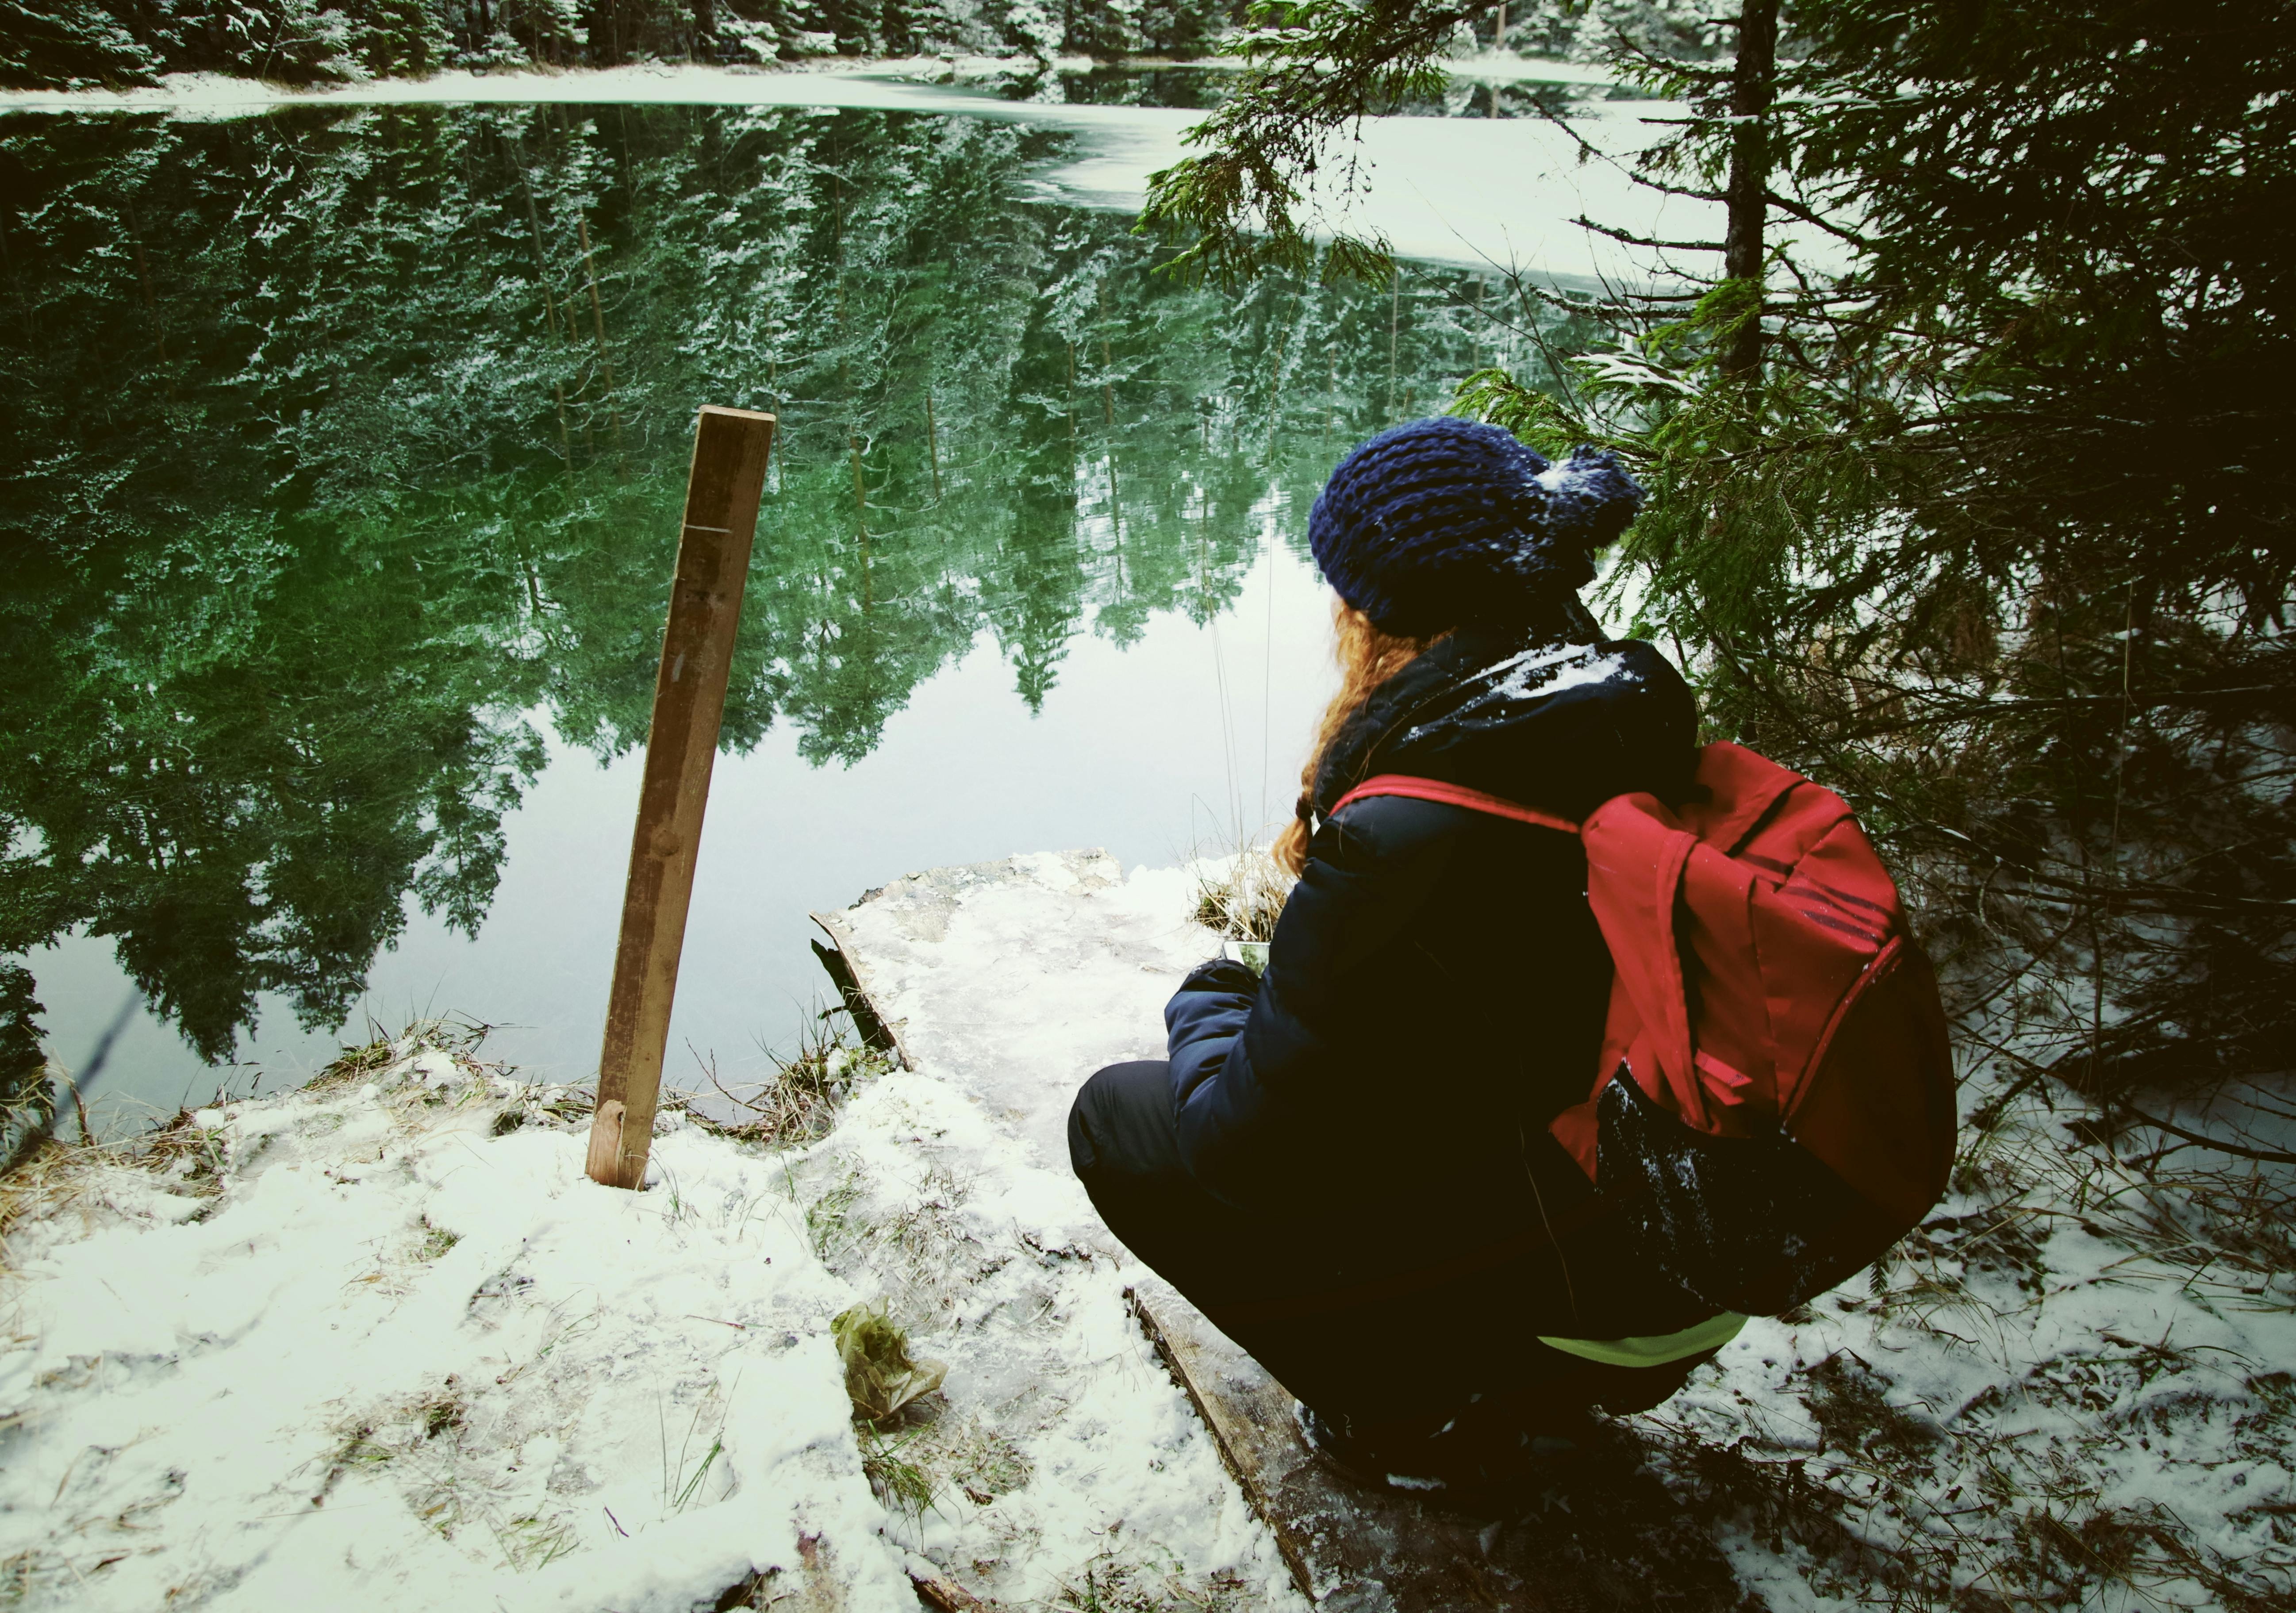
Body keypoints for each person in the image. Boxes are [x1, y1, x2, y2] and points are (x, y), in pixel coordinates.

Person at [1067, 417, 1738, 1497]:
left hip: (1590, 1285)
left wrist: (1212, 1001)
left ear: (1382, 616)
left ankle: (1412, 1416)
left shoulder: (1410, 830)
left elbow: (1240, 1149)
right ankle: (1520, 1379)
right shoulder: (1631, 723)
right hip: (1695, 1265)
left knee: (1119, 1117)